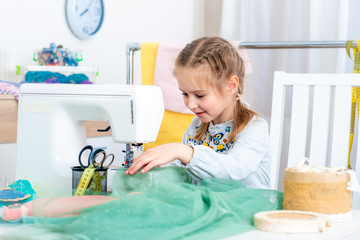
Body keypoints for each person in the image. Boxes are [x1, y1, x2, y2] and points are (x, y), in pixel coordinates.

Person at [126, 37, 271, 189]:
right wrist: (155, 166)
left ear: (231, 86)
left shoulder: (254, 127)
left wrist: (182, 151)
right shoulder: (197, 126)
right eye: (185, 94)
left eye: (200, 95)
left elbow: (235, 169)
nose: (191, 104)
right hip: (212, 205)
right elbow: (182, 170)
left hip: (246, 208)